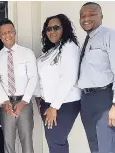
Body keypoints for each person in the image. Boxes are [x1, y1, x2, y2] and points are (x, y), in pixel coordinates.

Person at [35, 14, 81, 153]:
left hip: (63, 104)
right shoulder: (52, 49)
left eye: (56, 27)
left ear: (64, 28)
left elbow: (69, 77)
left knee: (56, 143)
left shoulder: (69, 47)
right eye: (48, 29)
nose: (52, 31)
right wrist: (39, 98)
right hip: (48, 103)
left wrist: (54, 107)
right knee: (56, 143)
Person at [0, 18, 37, 153]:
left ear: (15, 32)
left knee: (27, 141)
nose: (7, 35)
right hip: (6, 105)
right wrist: (4, 102)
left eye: (10, 31)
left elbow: (33, 77)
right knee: (8, 143)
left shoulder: (27, 53)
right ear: (0, 36)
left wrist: (24, 102)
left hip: (24, 102)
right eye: (3, 33)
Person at [78, 2, 115, 153]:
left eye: (91, 14)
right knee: (94, 145)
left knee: (106, 146)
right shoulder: (87, 40)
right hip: (86, 100)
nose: (86, 18)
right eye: (82, 15)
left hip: (104, 99)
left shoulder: (109, 35)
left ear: (101, 16)